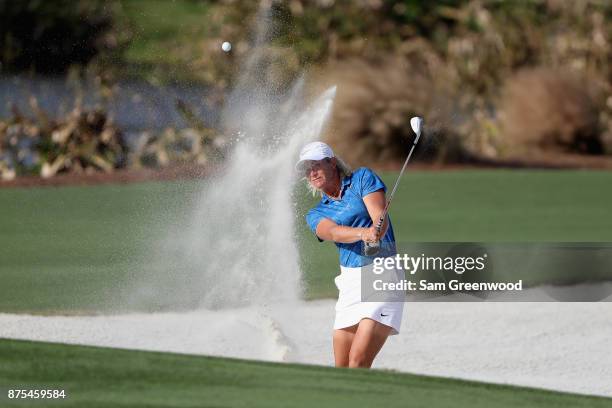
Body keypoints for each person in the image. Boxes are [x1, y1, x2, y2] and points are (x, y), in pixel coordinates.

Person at [296, 141, 404, 369]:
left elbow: (378, 219)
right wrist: (363, 233)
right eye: (307, 169)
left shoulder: (362, 179)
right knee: (342, 370)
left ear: (332, 162)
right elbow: (333, 232)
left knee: (357, 363)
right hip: (349, 283)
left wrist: (376, 230)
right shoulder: (316, 213)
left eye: (316, 165)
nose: (312, 172)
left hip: (381, 274)